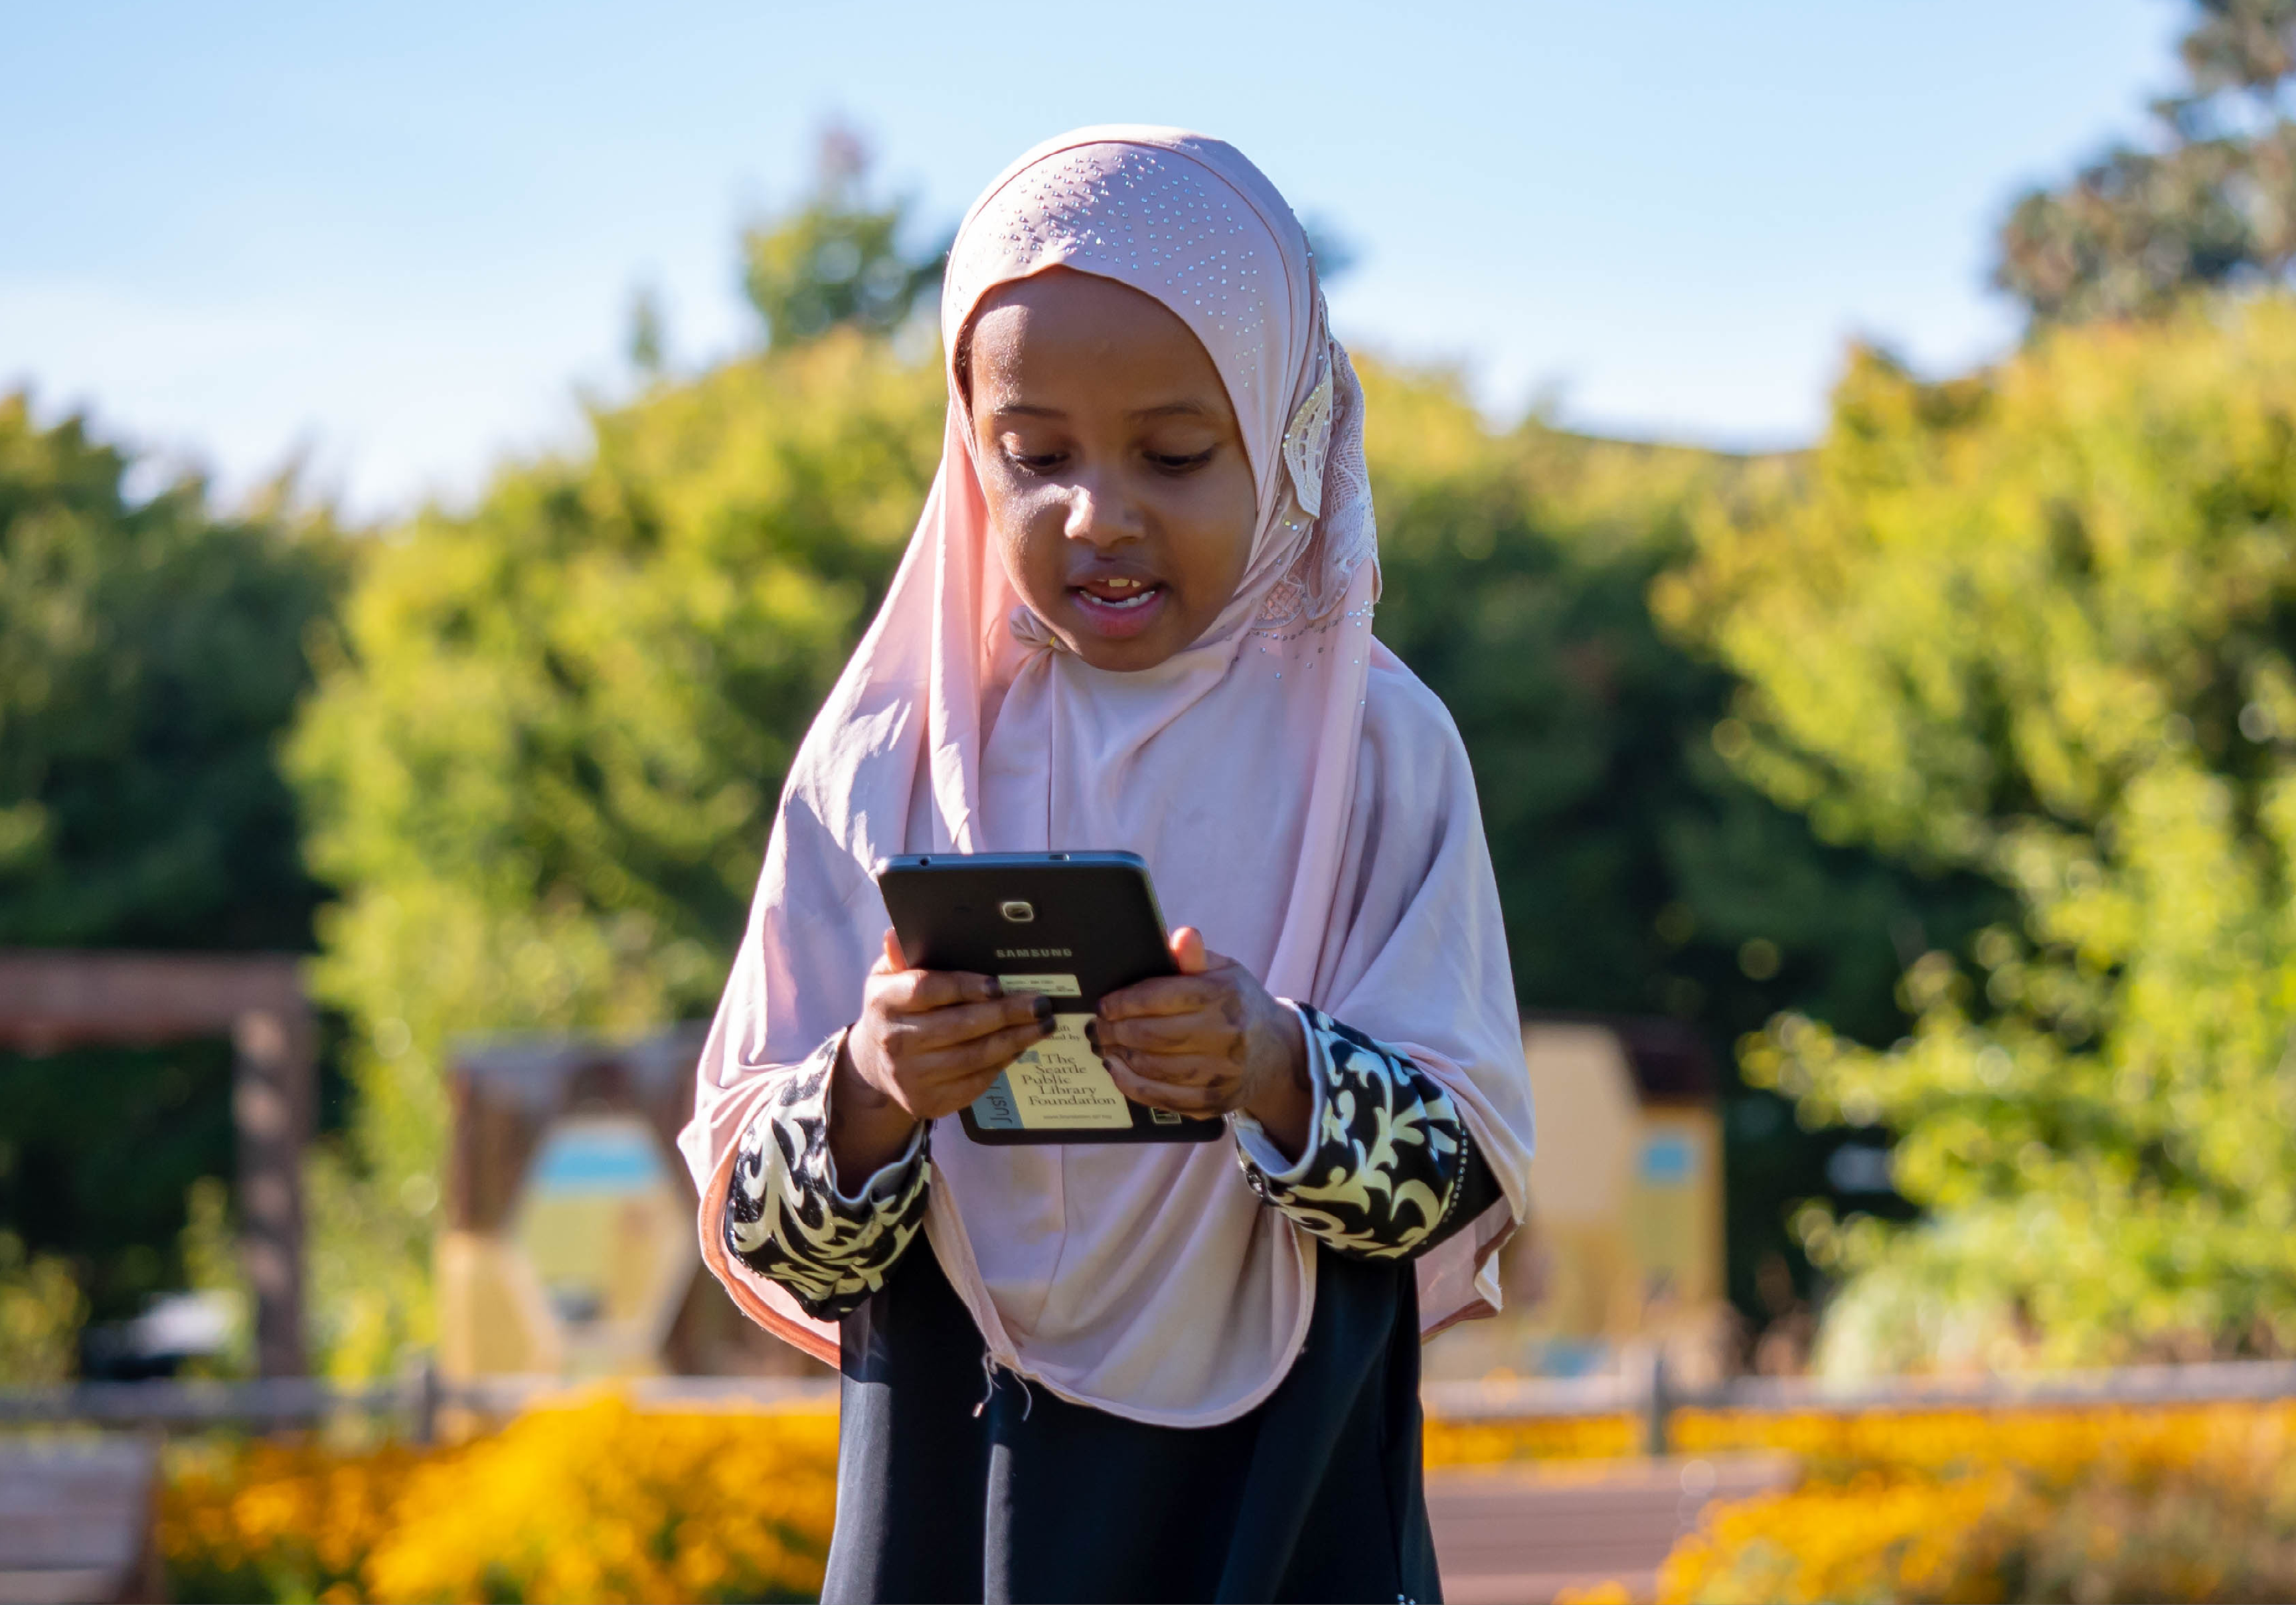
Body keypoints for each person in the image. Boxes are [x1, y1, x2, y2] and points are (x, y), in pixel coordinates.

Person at [679, 126, 1535, 1605]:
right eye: (1036, 456)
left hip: (1280, 1482)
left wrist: (1277, 1067)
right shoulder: (888, 751)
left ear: (1281, 427)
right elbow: (760, 1219)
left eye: (1176, 452)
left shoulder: (1374, 742)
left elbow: (1454, 1179)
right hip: (956, 1464)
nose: (1100, 511)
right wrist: (874, 1087)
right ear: (969, 449)